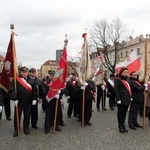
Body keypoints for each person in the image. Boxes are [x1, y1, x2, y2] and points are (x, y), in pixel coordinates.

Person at [8, 66, 38, 137]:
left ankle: (26, 128)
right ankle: (16, 129)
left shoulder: (31, 81)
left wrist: (34, 99)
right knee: (17, 117)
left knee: (27, 116)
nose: (24, 73)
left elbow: (35, 91)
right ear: (20, 72)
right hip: (19, 102)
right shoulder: (15, 80)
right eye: (23, 72)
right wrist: (14, 98)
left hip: (28, 102)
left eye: (26, 72)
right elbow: (11, 90)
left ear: (28, 73)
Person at [42, 70, 61, 134]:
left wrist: (60, 92)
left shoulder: (58, 82)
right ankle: (47, 128)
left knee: (57, 114)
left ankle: (56, 126)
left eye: (53, 75)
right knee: (48, 115)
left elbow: (63, 90)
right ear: (49, 75)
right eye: (51, 75)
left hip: (57, 101)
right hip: (49, 102)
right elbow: (44, 92)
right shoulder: (45, 83)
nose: (52, 76)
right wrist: (54, 94)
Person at [114, 67, 131, 133]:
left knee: (125, 112)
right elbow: (116, 90)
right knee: (120, 112)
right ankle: (120, 125)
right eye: (124, 72)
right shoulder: (117, 79)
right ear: (121, 72)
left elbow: (129, 88)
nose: (126, 73)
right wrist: (118, 98)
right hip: (121, 98)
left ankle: (123, 124)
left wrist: (131, 96)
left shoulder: (127, 79)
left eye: (126, 72)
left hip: (127, 98)